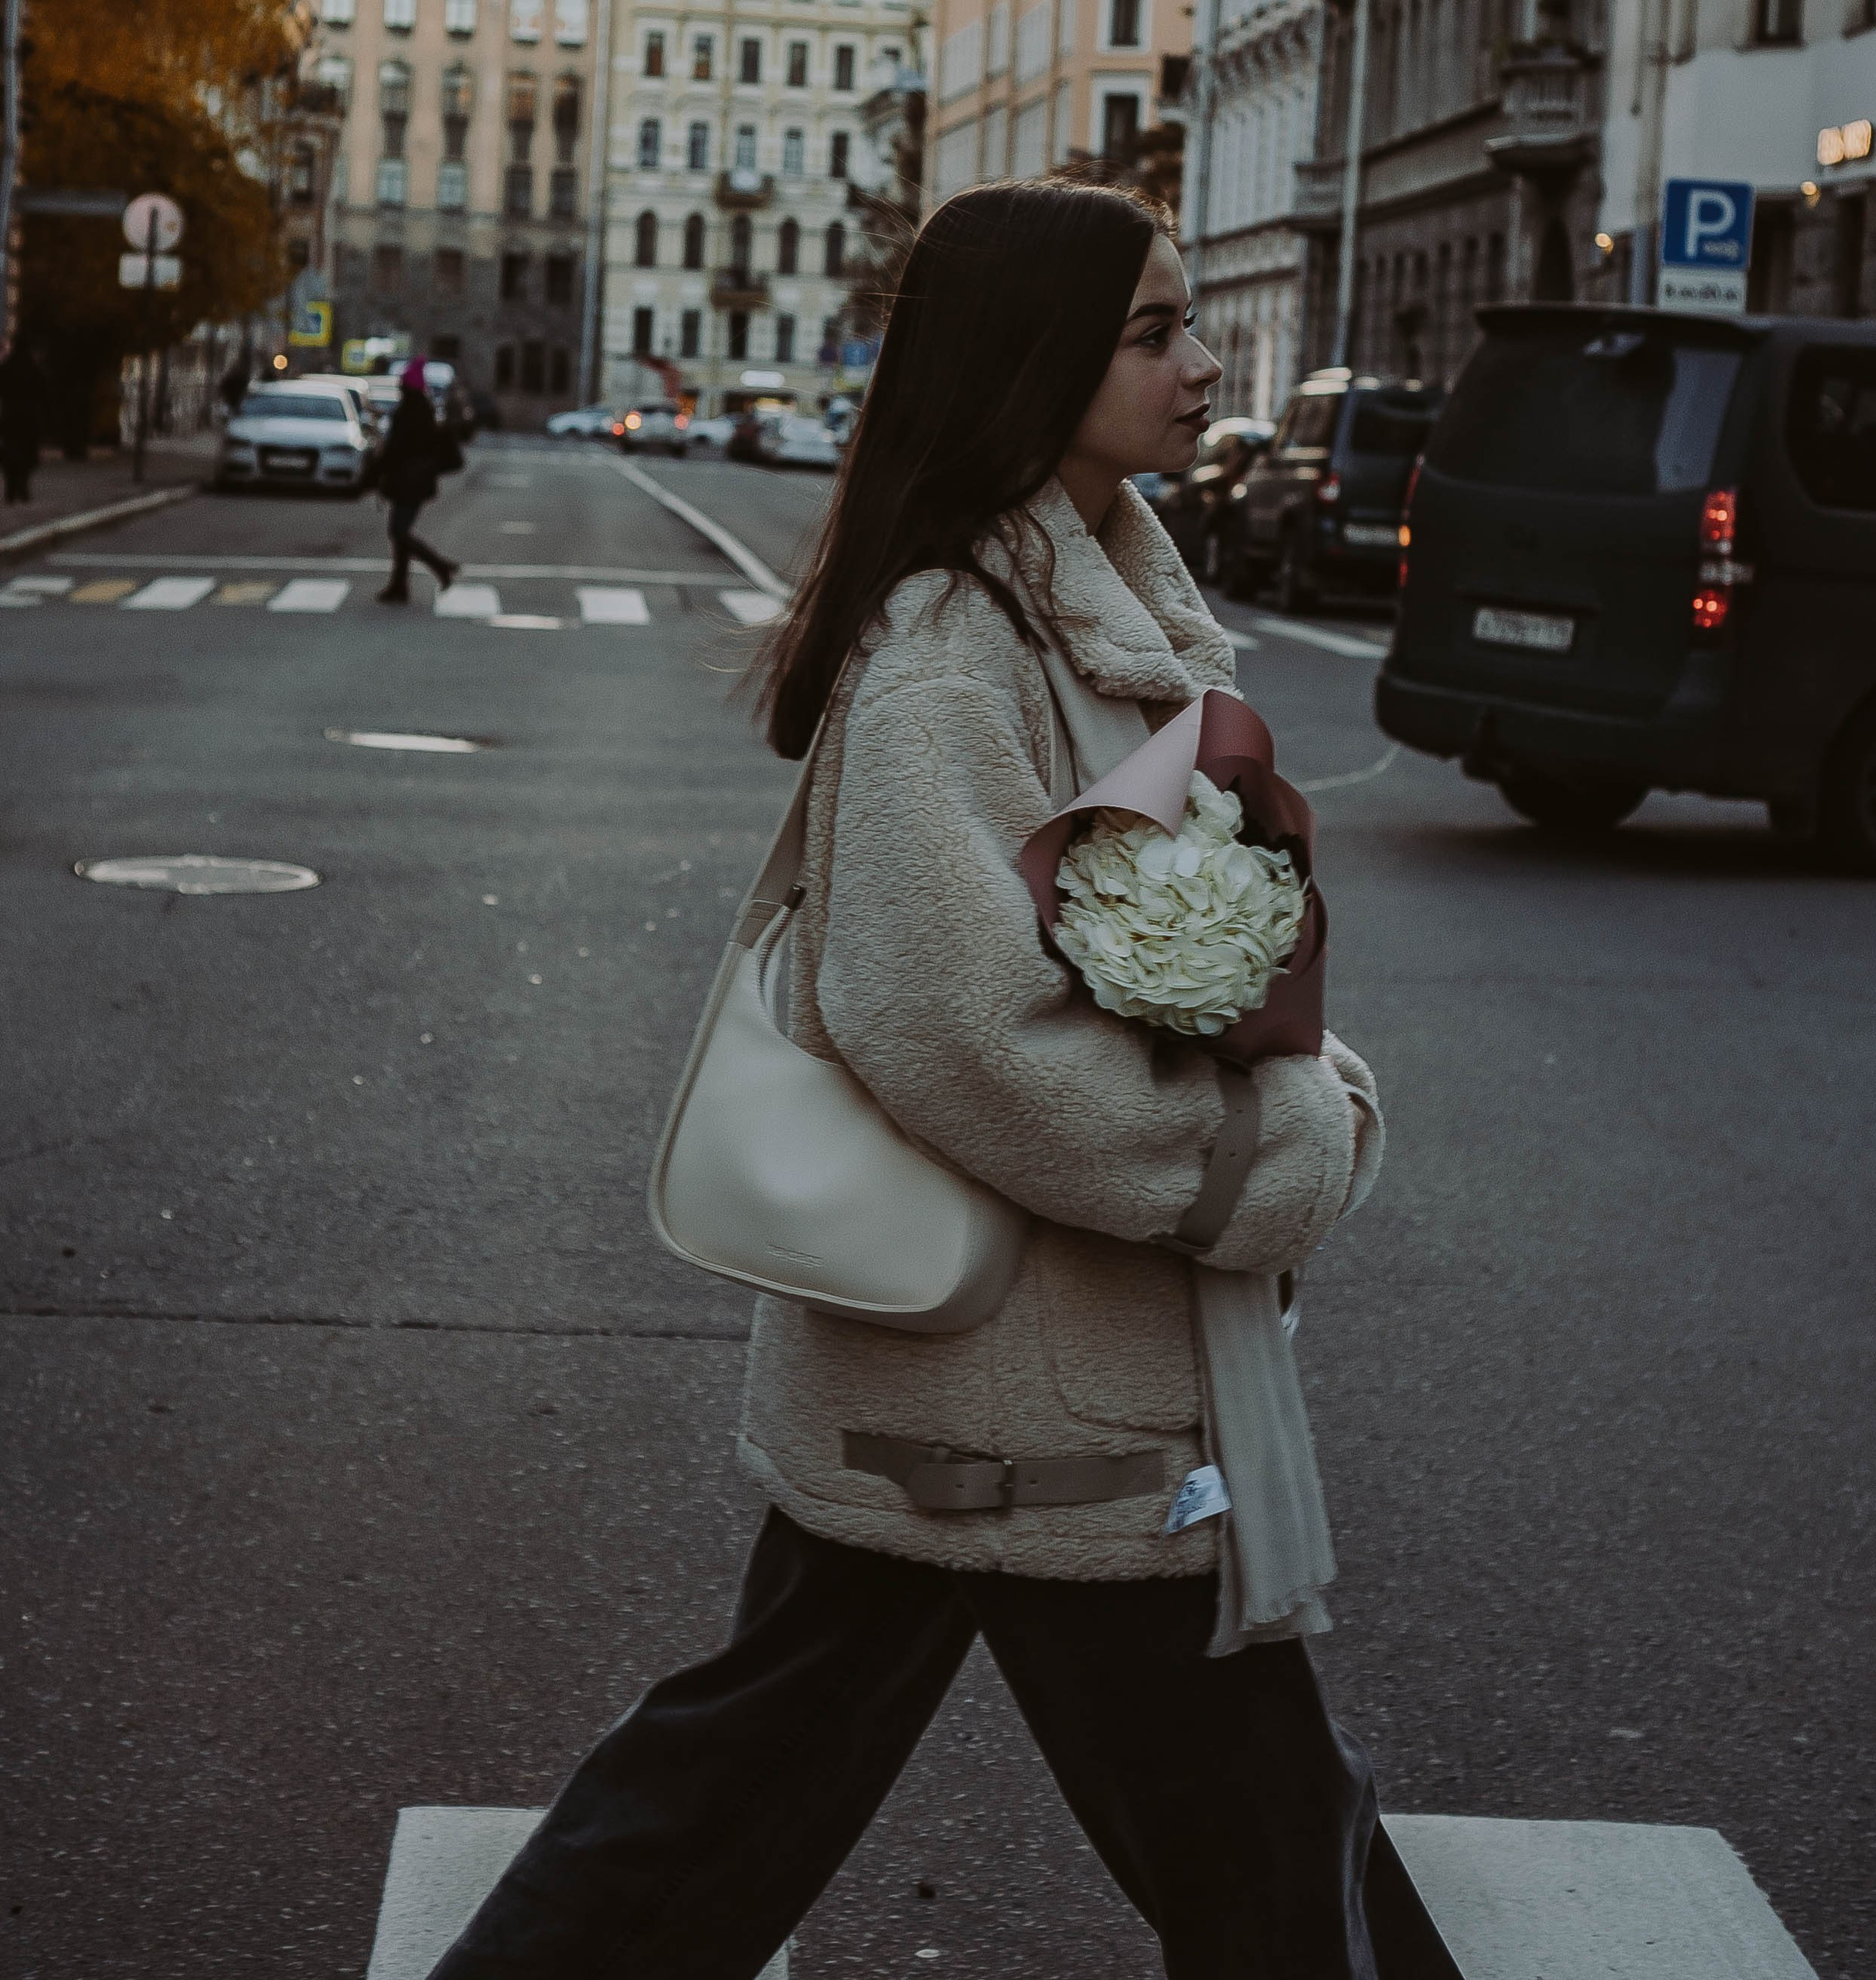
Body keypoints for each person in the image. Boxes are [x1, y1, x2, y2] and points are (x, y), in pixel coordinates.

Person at [428, 181, 1458, 1980]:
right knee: (1262, 1852)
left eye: (1186, 320)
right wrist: (1266, 1144)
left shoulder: (1098, 611)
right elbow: (952, 1029)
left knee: (749, 1801)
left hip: (1018, 1373)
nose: (1202, 360)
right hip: (1030, 1382)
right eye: (1153, 330)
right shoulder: (947, 654)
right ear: (1031, 359)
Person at [373, 357, 461, 606]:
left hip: (408, 481)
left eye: (402, 383)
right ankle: (399, 586)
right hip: (416, 481)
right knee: (400, 533)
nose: (399, 387)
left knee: (399, 531)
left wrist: (378, 473)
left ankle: (441, 566)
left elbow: (396, 449)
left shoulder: (410, 412)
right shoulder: (424, 409)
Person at [0, 339, 41, 504]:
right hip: (29, 418)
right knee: (27, 452)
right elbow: (42, 392)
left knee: (10, 452)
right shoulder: (33, 369)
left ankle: (11, 487)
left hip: (9, 416)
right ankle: (23, 486)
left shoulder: (6, 368)